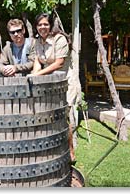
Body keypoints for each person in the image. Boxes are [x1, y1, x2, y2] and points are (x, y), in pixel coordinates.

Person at [28, 12, 75, 162]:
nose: (43, 27)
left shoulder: (59, 39)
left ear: (50, 25)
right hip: (48, 82)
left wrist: (38, 75)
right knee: (48, 114)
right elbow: (37, 61)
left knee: (62, 117)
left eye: (45, 24)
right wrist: (33, 77)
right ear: (36, 27)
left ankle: (71, 151)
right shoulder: (37, 42)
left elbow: (59, 63)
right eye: (40, 24)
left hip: (65, 82)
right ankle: (52, 150)